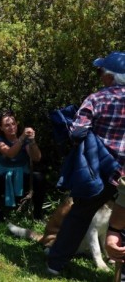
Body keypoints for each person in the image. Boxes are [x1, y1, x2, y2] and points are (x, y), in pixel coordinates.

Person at [55, 52, 125, 274]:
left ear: (110, 76)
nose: (100, 76)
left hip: (101, 170)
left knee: (80, 215)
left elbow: (77, 132)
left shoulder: (97, 99)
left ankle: (55, 264)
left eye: (101, 71)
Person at [0, 111, 44, 221]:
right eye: (7, 125)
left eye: (13, 124)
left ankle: (38, 214)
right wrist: (21, 139)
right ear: (1, 128)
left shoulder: (24, 140)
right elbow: (10, 153)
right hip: (3, 178)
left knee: (38, 177)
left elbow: (37, 158)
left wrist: (32, 141)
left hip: (21, 176)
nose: (11, 127)